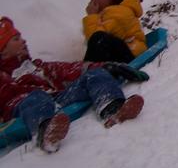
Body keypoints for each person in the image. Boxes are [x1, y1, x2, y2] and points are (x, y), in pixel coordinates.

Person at [0, 17, 149, 152]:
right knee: (36, 97)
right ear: (3, 52)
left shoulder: (37, 66)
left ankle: (113, 107)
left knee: (95, 74)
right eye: (16, 39)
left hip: (55, 100)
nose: (23, 41)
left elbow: (68, 69)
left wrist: (106, 66)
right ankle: (45, 133)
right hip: (23, 108)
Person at [80, 0, 147, 63]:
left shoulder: (118, 12)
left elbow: (95, 40)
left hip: (132, 55)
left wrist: (92, 16)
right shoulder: (108, 11)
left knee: (99, 38)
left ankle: (87, 71)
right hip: (124, 52)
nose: (94, 1)